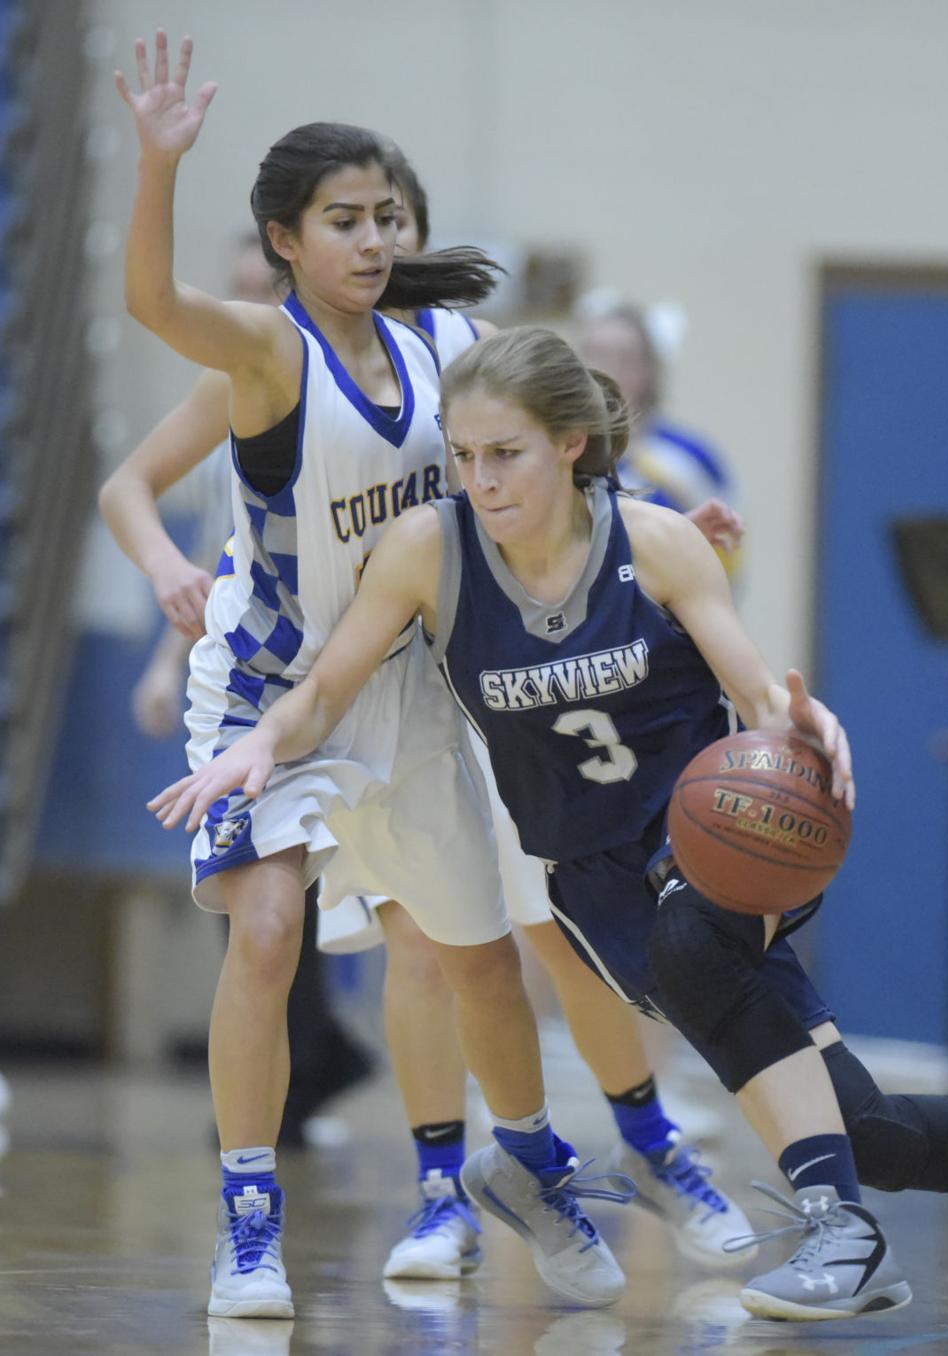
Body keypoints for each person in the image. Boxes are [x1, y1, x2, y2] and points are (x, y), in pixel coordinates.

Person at [153, 326, 948, 1326]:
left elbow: (756, 690)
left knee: (696, 944)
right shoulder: (429, 552)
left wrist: (798, 724)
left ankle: (842, 1236)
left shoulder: (654, 539)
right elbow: (324, 690)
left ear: (571, 443)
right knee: (863, 1125)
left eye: (507, 454)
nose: (481, 479)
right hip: (590, 880)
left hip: (715, 842)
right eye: (464, 455)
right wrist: (261, 744)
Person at [116, 31, 625, 1320]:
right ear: (286, 238)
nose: (373, 238)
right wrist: (159, 167)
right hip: (268, 696)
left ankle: (516, 1175)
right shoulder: (266, 354)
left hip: (404, 691)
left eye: (388, 216)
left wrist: (651, 524)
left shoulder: (449, 340)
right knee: (272, 930)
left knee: (477, 958)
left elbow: (559, 419)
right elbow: (151, 308)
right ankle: (247, 1223)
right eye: (343, 219)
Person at [105, 234, 372, 1146]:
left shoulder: (382, 379)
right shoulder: (227, 399)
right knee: (264, 908)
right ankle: (262, 1152)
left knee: (434, 931)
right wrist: (159, 661)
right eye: (234, 289)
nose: (245, 305)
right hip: (266, 681)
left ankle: (454, 1150)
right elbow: (219, 563)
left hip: (385, 672)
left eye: (259, 287)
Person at [576, 300, 741, 574]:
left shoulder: (690, 455)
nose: (608, 370)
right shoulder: (554, 449)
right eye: (597, 354)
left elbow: (727, 553)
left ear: (650, 370)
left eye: (626, 359)